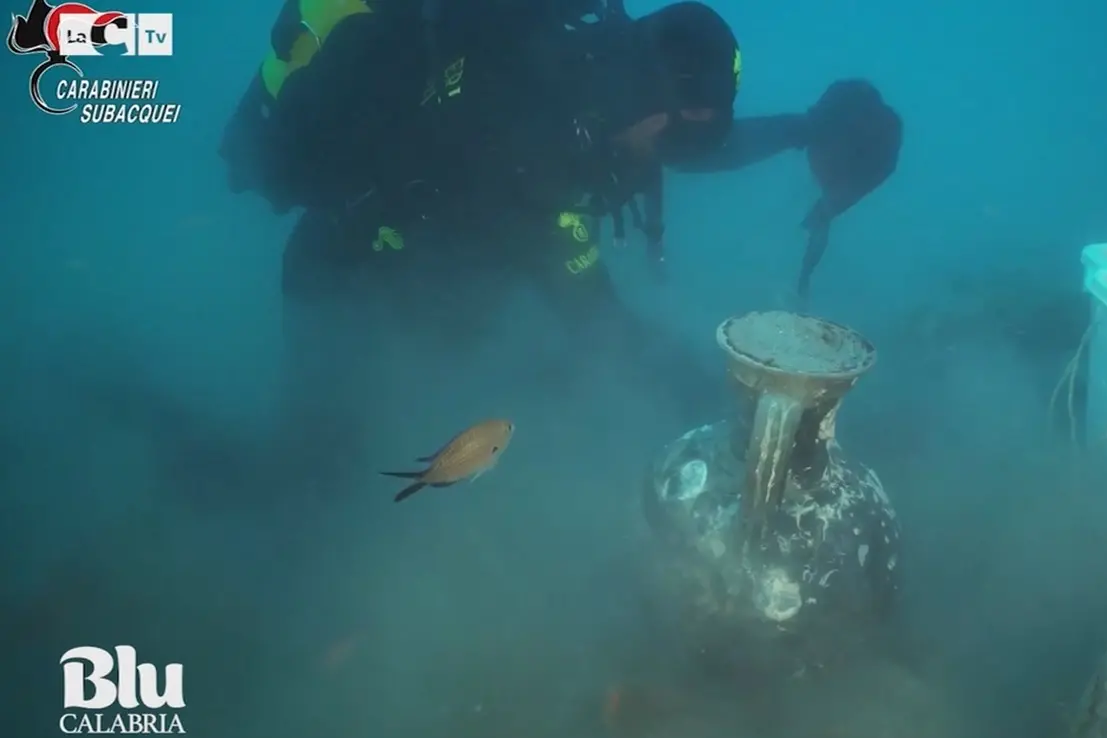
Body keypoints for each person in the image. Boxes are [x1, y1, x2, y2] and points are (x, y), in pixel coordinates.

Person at [218, 0, 902, 479]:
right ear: (651, 99)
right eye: (675, 131)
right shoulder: (530, 137)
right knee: (313, 485)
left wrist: (810, 127)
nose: (676, 153)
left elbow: (697, 146)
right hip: (346, 285)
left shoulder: (602, 74)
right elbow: (595, 317)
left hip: (436, 290)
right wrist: (730, 400)